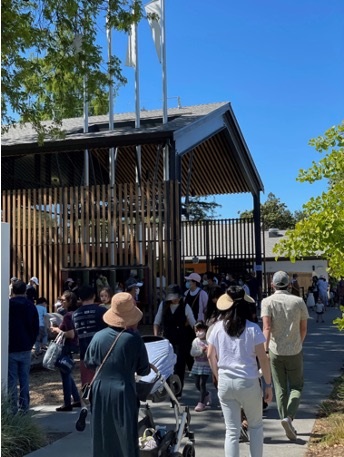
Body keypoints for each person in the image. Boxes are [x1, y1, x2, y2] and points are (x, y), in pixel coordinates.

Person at [207, 286, 273, 457]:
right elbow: (263, 359)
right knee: (256, 426)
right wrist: (268, 384)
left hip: (225, 382)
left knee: (231, 431)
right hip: (249, 382)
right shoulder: (253, 329)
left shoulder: (217, 328)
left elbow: (209, 355)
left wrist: (217, 374)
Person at [83, 292, 150, 457]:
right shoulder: (133, 339)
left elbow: (89, 362)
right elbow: (144, 370)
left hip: (99, 389)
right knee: (125, 435)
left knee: (102, 434)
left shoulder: (98, 337)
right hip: (123, 389)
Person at [261, 271, 309, 441]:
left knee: (280, 387)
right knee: (296, 386)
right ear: (289, 285)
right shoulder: (298, 301)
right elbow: (303, 328)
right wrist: (299, 342)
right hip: (294, 349)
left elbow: (266, 328)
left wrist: (264, 350)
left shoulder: (267, 302)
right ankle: (289, 417)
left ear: (272, 285)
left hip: (275, 349)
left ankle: (284, 418)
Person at [72, 285, 107, 428]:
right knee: (102, 383)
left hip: (84, 353)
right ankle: (101, 411)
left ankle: (85, 407)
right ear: (94, 296)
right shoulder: (101, 311)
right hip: (101, 353)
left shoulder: (75, 314)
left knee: (86, 384)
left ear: (80, 298)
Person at [153, 284, 196, 395]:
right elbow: (156, 322)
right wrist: (156, 337)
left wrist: (199, 337)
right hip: (167, 341)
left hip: (181, 341)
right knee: (166, 368)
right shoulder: (163, 306)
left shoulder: (185, 306)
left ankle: (177, 393)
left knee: (179, 367)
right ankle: (166, 390)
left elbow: (193, 324)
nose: (175, 299)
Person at [8, 280, 39, 414]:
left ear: (12, 290)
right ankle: (24, 406)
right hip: (26, 345)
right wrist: (31, 342)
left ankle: (12, 407)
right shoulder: (30, 305)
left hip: (11, 346)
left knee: (12, 379)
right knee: (24, 378)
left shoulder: (8, 305)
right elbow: (35, 327)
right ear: (25, 291)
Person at [50, 291, 81, 412]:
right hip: (73, 346)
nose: (61, 302)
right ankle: (77, 399)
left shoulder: (68, 316)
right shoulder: (75, 314)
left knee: (65, 374)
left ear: (69, 301)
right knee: (67, 371)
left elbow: (70, 334)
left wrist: (57, 329)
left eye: (63, 300)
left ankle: (67, 403)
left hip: (66, 346)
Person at [184, 273, 208, 371]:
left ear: (195, 282)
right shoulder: (186, 294)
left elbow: (206, 309)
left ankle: (200, 366)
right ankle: (190, 366)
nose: (188, 282)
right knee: (189, 344)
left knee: (198, 344)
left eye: (189, 281)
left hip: (198, 324)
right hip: (187, 324)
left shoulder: (202, 294)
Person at [190, 321, 212, 412]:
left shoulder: (209, 341)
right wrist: (200, 351)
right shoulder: (195, 341)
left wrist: (207, 352)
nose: (198, 332)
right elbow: (192, 353)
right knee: (197, 384)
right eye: (196, 331)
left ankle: (201, 402)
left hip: (205, 366)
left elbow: (212, 353)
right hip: (197, 365)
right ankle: (206, 394)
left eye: (200, 330)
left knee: (202, 383)